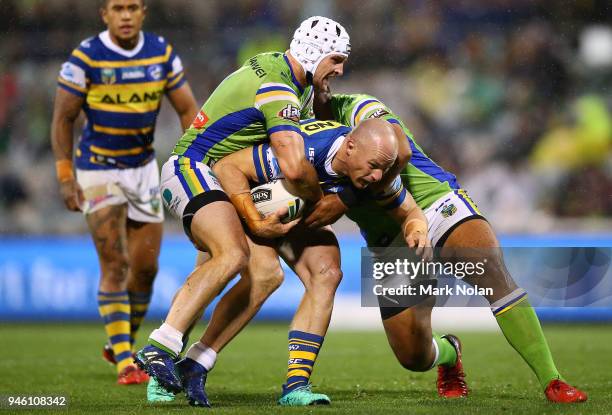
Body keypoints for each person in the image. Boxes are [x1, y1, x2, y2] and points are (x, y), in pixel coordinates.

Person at [134, 16, 353, 397]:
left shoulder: (291, 79)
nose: (340, 68)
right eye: (335, 58)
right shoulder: (278, 87)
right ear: (314, 52)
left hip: (234, 179)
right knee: (230, 254)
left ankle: (195, 363)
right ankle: (160, 347)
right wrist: (324, 199)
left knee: (265, 275)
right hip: (192, 167)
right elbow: (293, 165)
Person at [322, 93, 588, 403]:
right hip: (389, 242)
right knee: (412, 355)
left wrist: (367, 196)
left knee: (491, 274)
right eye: (332, 63)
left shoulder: (356, 106)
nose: (335, 71)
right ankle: (449, 352)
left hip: (434, 204)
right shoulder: (294, 138)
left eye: (337, 63)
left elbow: (402, 150)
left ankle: (552, 380)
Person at [157, 118, 430, 407]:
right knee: (263, 275)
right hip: (241, 203)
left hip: (293, 217)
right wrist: (254, 220)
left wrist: (417, 230)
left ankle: (295, 384)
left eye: (383, 170)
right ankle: (179, 358)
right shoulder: (305, 150)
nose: (377, 176)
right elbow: (228, 167)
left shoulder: (375, 172)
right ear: (350, 146)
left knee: (327, 273)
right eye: (374, 166)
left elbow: (411, 212)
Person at [50, 0, 198, 385]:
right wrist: (66, 176)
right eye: (118, 8)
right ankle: (125, 363)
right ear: (105, 14)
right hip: (97, 169)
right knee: (115, 265)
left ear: (143, 11)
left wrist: (196, 156)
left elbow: (187, 109)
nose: (126, 15)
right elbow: (63, 118)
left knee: (146, 270)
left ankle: (120, 343)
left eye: (133, 7)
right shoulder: (86, 57)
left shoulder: (161, 53)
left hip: (143, 170)